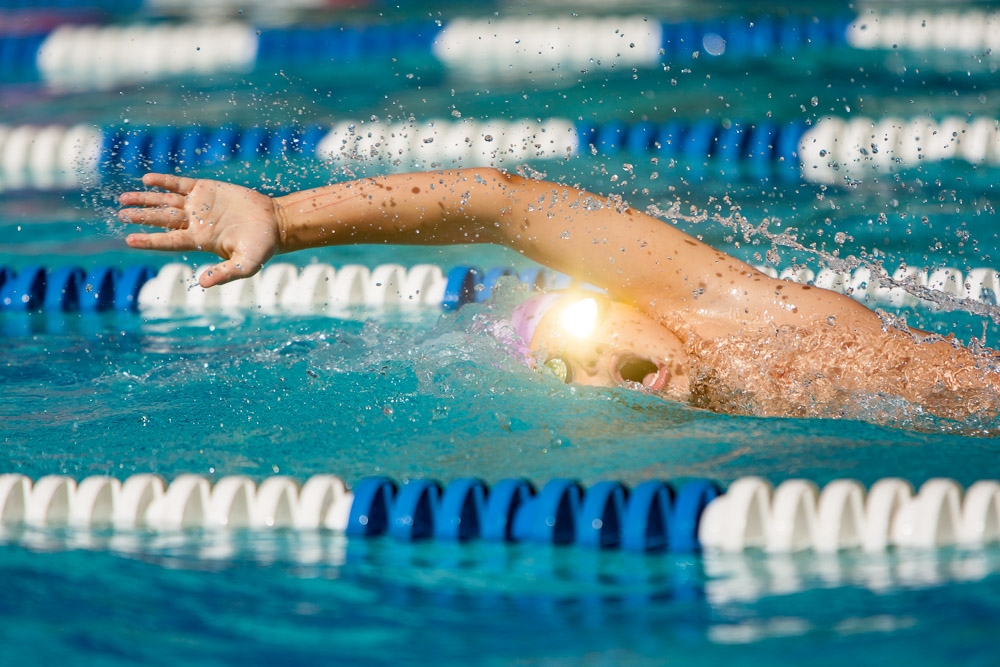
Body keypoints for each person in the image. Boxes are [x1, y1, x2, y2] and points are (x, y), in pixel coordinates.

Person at [118, 169, 999, 424]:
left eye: (593, 336)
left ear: (636, 302)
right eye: (572, 374)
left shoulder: (725, 306)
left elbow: (505, 204)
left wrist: (285, 217)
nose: (604, 372)